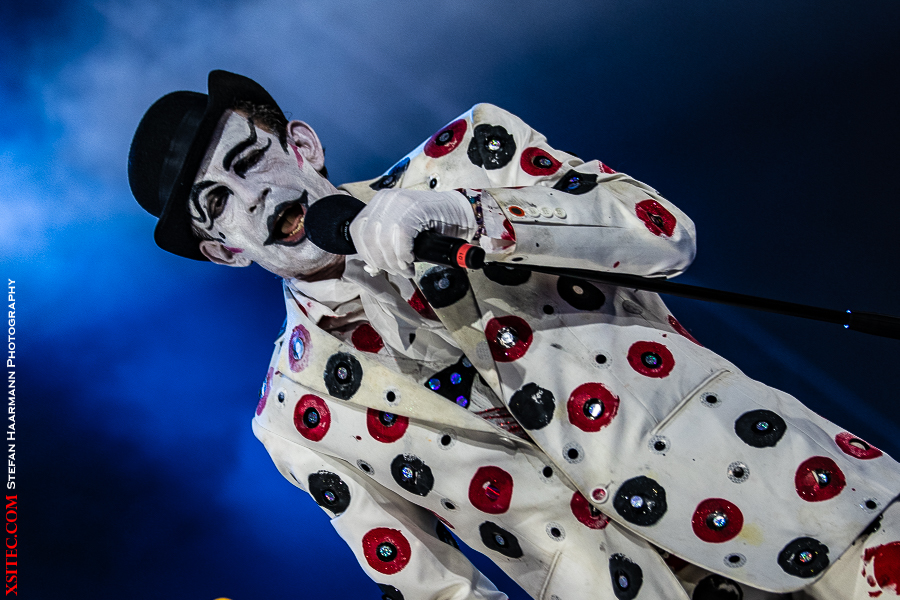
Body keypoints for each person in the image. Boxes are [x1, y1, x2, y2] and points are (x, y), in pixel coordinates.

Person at [129, 70, 900, 600]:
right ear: (223, 250)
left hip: (798, 496)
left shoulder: (467, 156)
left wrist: (475, 215)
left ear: (302, 147)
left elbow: (663, 235)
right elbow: (434, 589)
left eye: (251, 161)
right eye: (217, 204)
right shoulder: (295, 416)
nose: (254, 200)